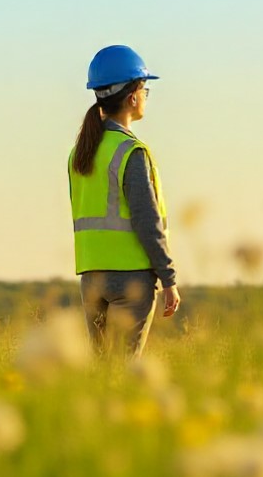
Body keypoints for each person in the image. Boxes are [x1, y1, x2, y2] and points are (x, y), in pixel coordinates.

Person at [68, 44, 180, 357]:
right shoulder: (131, 152)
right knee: (123, 373)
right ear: (132, 97)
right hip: (130, 280)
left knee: (103, 372)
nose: (145, 96)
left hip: (91, 277)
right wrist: (168, 277)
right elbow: (147, 221)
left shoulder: (80, 153)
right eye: (145, 89)